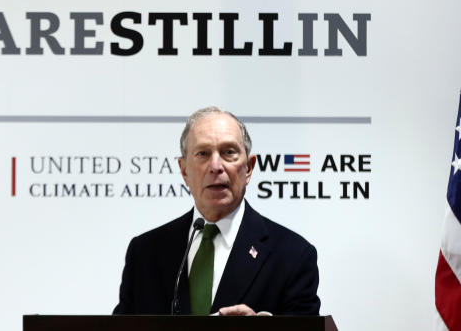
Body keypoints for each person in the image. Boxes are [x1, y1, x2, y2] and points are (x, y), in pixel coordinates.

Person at [113, 106, 320, 316]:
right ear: (184, 170)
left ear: (248, 168)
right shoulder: (145, 253)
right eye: (202, 154)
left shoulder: (293, 255)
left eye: (228, 152)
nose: (215, 166)